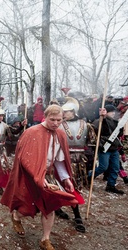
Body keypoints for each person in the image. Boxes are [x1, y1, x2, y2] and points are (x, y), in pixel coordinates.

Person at [1, 105, 81, 250]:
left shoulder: (60, 134)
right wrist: (38, 177)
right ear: (45, 117)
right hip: (30, 176)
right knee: (28, 206)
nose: (56, 123)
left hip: (49, 175)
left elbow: (58, 160)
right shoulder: (32, 132)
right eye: (52, 120)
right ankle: (17, 217)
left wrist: (65, 178)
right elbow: (25, 159)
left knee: (50, 206)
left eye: (59, 120)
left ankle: (45, 239)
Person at [55, 98, 93, 233]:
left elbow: (91, 141)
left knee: (75, 186)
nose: (64, 114)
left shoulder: (86, 125)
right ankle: (74, 214)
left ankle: (74, 213)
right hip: (63, 159)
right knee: (65, 185)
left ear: (74, 111)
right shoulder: (59, 125)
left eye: (67, 112)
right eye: (63, 112)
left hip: (80, 161)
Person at [88, 105, 125, 194]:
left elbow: (118, 134)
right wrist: (103, 119)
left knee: (115, 168)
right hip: (104, 148)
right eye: (111, 112)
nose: (113, 113)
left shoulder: (115, 121)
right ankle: (89, 177)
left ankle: (111, 185)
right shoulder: (98, 122)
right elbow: (101, 132)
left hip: (114, 148)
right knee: (103, 167)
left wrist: (121, 126)